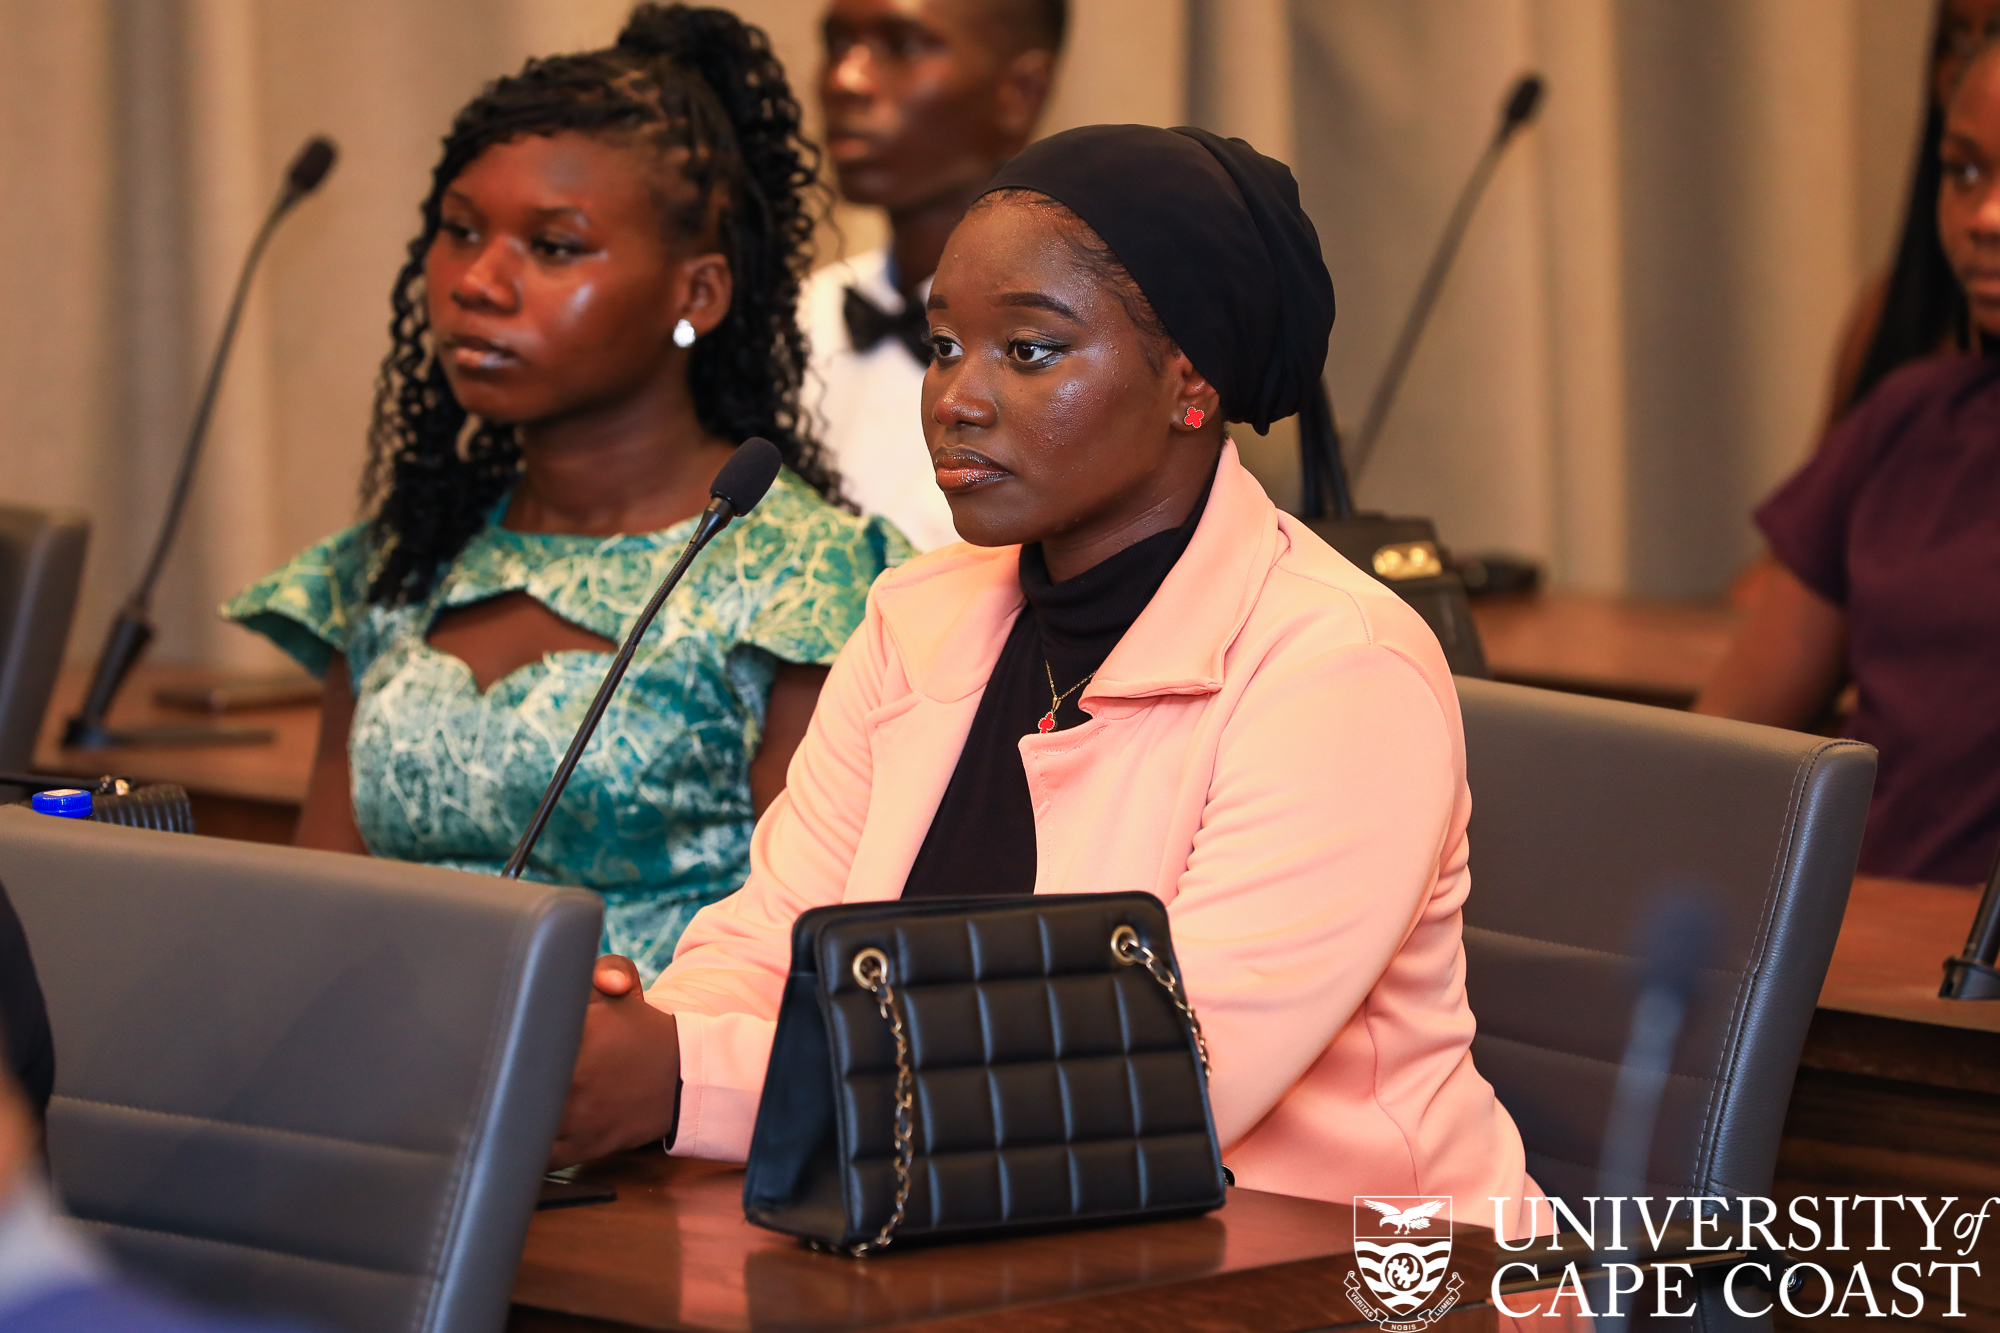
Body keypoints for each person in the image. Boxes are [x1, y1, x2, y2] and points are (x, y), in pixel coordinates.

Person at [550, 123, 1551, 1242]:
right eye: (942, 346)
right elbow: (762, 949)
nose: (956, 399)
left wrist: (687, 1078)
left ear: (1189, 381)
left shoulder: (1338, 669)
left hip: (1345, 1268)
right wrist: (638, 1045)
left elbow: (1159, 1083)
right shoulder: (914, 616)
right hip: (978, 1243)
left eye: (1027, 351)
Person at [224, 5, 909, 980]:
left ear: (697, 294)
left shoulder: (812, 587)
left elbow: (817, 973)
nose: (478, 282)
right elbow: (312, 924)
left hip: (676, 1076)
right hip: (385, 1068)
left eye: (553, 247)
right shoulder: (400, 563)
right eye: (460, 231)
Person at [1696, 38, 2000, 886]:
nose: (1984, 216)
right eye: (1965, 172)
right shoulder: (1909, 418)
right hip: (1854, 929)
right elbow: (1725, 740)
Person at [797, 0, 1064, 551]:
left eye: (904, 45)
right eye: (837, 44)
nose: (846, 80)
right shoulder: (796, 316)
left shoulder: (1074, 350)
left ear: (1021, 93)